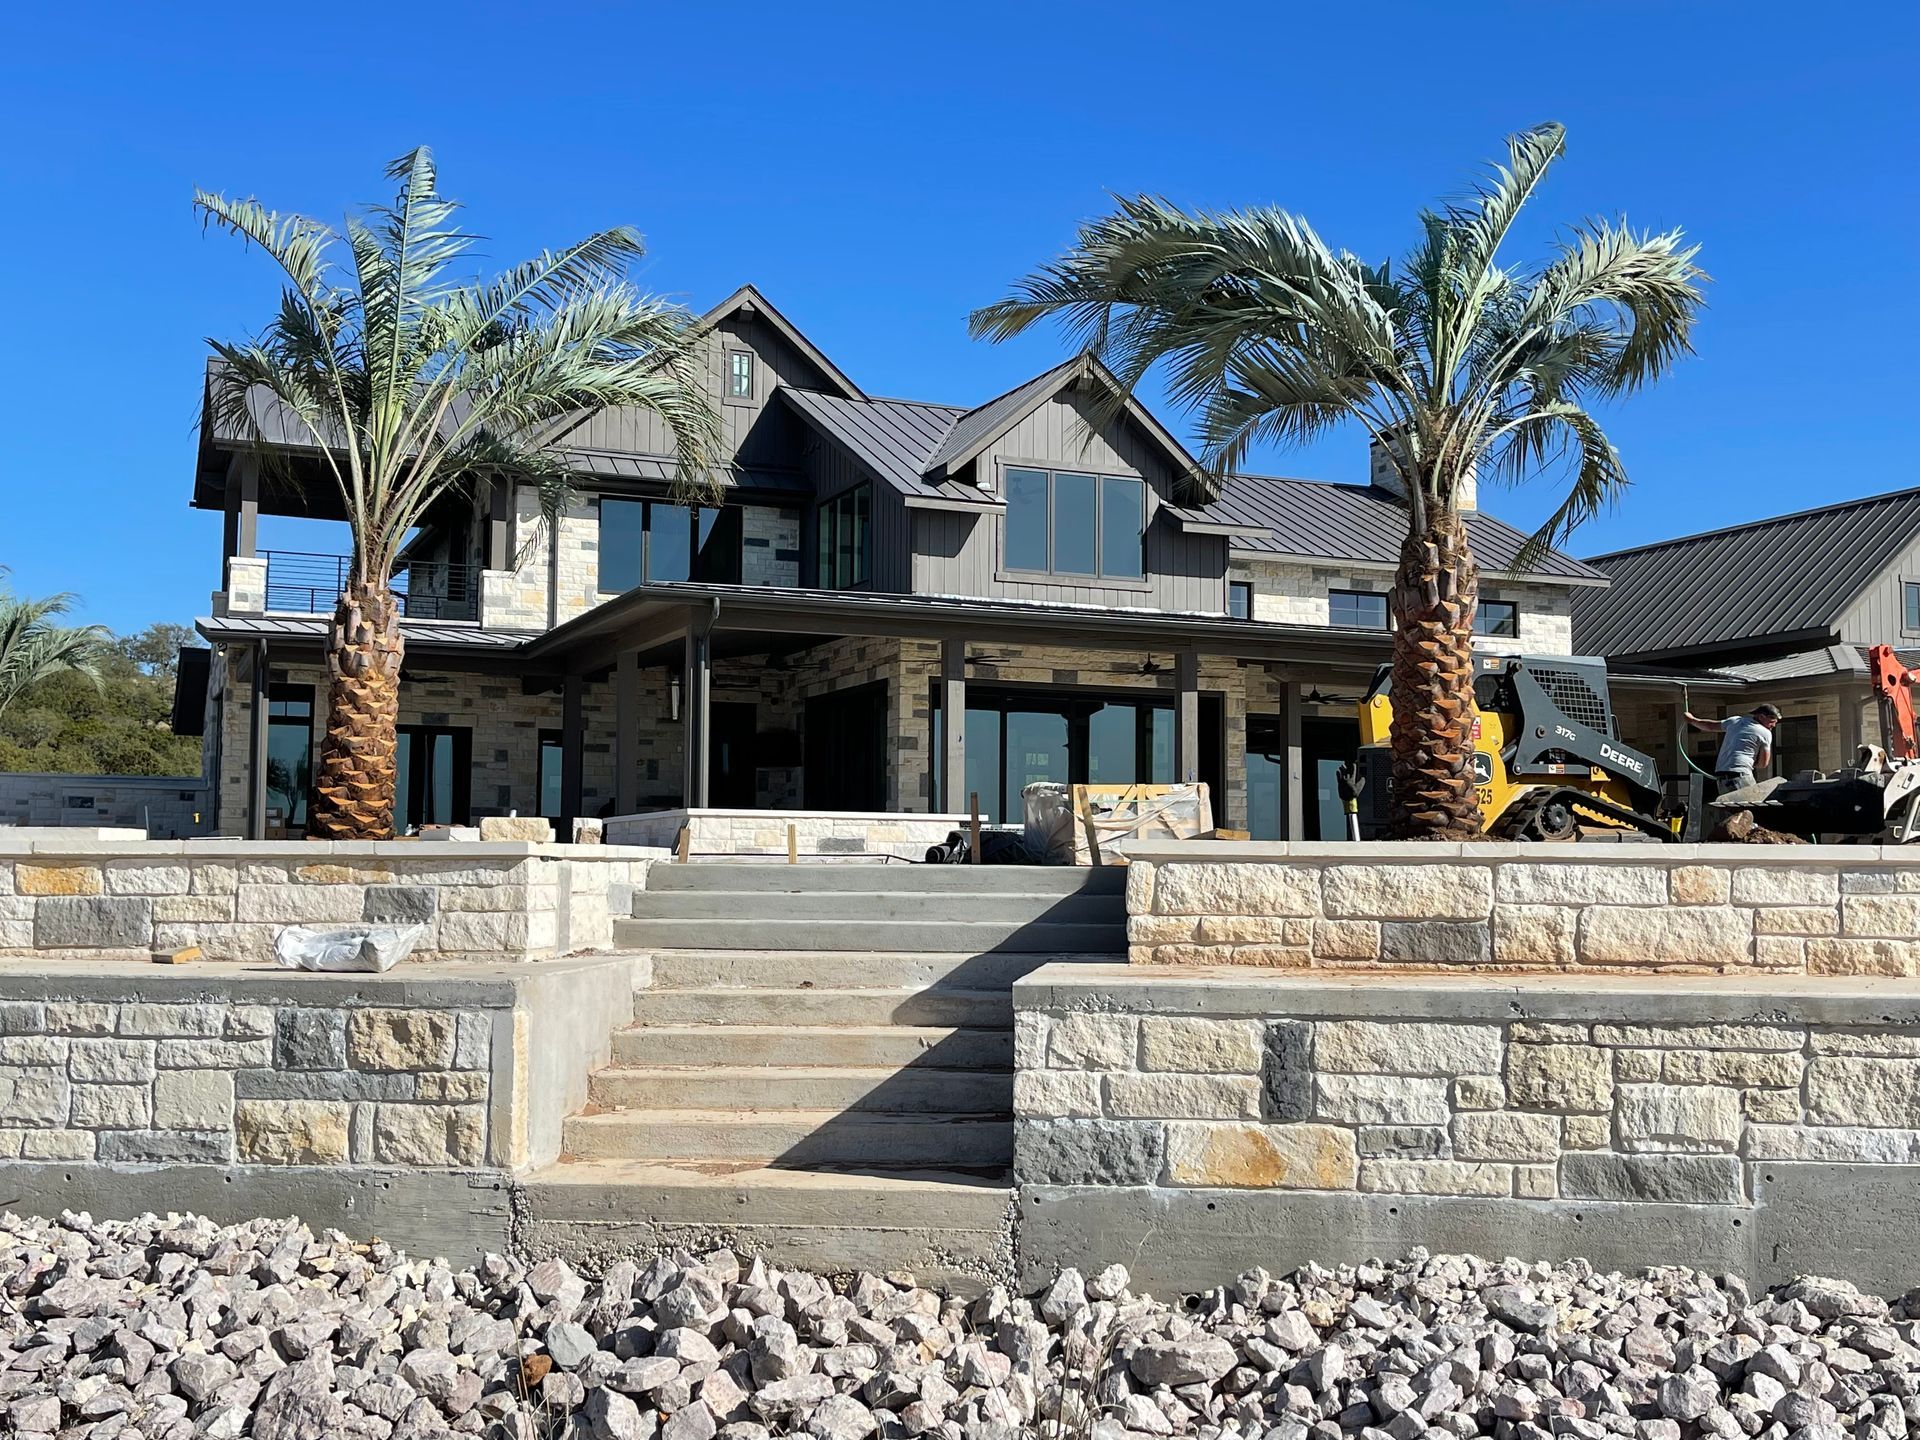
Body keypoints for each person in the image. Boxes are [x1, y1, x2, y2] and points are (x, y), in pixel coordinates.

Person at [1685, 703, 1781, 794]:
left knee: (1730, 809)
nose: (1773, 726)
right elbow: (1763, 763)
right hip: (1741, 775)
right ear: (1761, 717)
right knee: (1749, 807)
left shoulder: (1735, 721)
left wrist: (1692, 720)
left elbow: (1710, 726)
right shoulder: (1765, 732)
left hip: (1721, 776)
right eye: (1772, 722)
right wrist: (1753, 762)